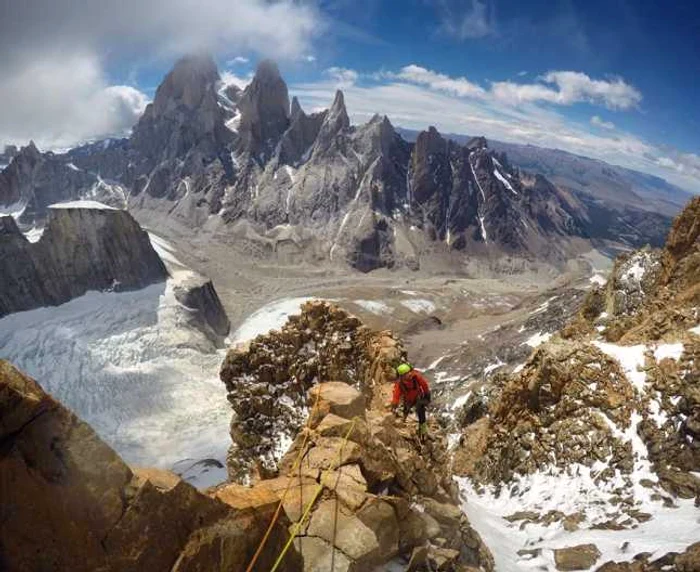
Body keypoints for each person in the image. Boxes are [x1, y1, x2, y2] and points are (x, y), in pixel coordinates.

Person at [390, 363, 432, 439]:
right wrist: (394, 405)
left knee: (420, 410)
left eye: (409, 372)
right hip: (408, 399)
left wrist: (427, 397)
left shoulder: (416, 377)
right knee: (406, 409)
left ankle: (423, 429)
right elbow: (396, 395)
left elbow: (424, 385)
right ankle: (403, 420)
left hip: (418, 396)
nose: (409, 374)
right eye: (406, 373)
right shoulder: (400, 385)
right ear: (402, 376)